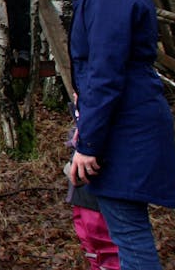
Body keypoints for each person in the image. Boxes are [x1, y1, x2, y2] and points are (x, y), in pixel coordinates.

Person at [67, 0, 175, 269]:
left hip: (126, 126)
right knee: (126, 230)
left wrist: (88, 145)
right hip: (127, 118)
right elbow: (105, 66)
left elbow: (107, 74)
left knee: (129, 236)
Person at [65, 96, 119, 270]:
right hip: (83, 190)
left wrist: (86, 147)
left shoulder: (103, 97)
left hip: (101, 186)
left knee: (106, 243)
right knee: (90, 241)